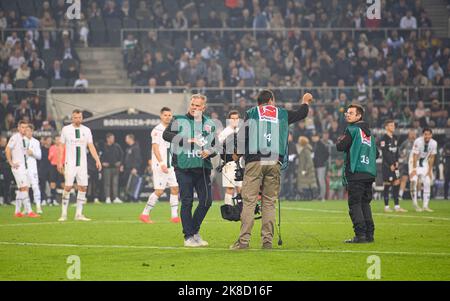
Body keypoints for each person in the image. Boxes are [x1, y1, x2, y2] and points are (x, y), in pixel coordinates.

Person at [230, 90, 312, 250]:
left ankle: (243, 242)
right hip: (275, 161)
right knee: (268, 202)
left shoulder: (252, 113)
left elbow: (242, 136)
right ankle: (267, 241)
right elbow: (302, 113)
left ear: (259, 102)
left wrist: (236, 153)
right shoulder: (281, 113)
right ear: (271, 100)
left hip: (255, 160)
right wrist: (305, 101)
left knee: (249, 201)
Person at [163, 94, 217, 247]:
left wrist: (209, 152)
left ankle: (194, 231)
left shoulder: (210, 124)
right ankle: (188, 237)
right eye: (192, 104)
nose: (194, 107)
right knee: (187, 201)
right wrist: (187, 140)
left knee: (206, 201)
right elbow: (166, 135)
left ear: (203, 108)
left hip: (202, 167)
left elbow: (215, 146)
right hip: (183, 167)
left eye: (198, 105)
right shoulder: (179, 119)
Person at [336, 104, 377, 243]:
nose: (347, 114)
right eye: (347, 112)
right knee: (365, 203)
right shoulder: (370, 133)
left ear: (359, 116)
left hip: (356, 172)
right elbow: (376, 154)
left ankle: (360, 235)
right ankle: (369, 234)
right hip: (369, 172)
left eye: (351, 113)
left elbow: (340, 146)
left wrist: (339, 139)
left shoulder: (352, 130)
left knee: (355, 204)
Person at [57, 110, 102, 221]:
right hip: (70, 163)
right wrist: (59, 161)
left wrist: (97, 160)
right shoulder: (66, 129)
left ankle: (79, 214)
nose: (77, 119)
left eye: (79, 117)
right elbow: (61, 147)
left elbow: (91, 146)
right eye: (75, 117)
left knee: (83, 187)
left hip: (82, 164)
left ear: (82, 118)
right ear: (72, 118)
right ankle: (63, 214)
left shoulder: (86, 130)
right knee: (68, 187)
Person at [140, 107, 180, 224]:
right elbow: (155, 147)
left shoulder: (172, 129)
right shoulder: (157, 130)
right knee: (159, 191)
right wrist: (162, 162)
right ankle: (145, 214)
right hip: (160, 164)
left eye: (169, 115)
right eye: (165, 115)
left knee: (175, 188)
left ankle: (174, 216)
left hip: (170, 164)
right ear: (161, 116)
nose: (168, 117)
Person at [5, 120, 40, 218]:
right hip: (18, 167)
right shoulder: (14, 138)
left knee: (22, 189)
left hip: (25, 168)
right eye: (22, 127)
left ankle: (17, 211)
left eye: (26, 127)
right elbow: (7, 149)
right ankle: (29, 211)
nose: (24, 129)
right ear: (18, 128)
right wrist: (11, 162)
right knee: (24, 188)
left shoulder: (25, 139)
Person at [379, 120, 407, 213]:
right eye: (391, 125)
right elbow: (385, 153)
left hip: (395, 165)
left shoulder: (395, 138)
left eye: (394, 125)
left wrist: (397, 162)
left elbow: (396, 152)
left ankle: (397, 206)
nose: (393, 127)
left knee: (397, 183)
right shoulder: (383, 139)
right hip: (387, 166)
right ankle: (386, 207)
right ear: (386, 127)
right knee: (387, 185)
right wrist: (391, 164)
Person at [409, 128, 437, 212]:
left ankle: (425, 205)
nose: (427, 136)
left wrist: (429, 171)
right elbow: (414, 155)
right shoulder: (418, 141)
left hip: (424, 162)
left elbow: (432, 157)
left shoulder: (434, 143)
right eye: (425, 134)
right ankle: (415, 204)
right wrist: (414, 169)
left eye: (429, 134)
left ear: (431, 135)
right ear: (423, 135)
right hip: (414, 161)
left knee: (427, 181)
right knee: (414, 180)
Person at [218, 110, 242, 206]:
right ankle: (228, 208)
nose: (235, 120)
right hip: (229, 163)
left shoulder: (241, 131)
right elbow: (219, 147)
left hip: (241, 163)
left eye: (236, 118)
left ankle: (241, 208)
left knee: (241, 187)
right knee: (230, 187)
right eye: (232, 118)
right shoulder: (225, 132)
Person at [25, 124, 43, 214]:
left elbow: (39, 156)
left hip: (32, 168)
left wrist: (33, 153)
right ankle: (26, 208)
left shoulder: (36, 142)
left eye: (30, 130)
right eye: (27, 130)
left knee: (35, 186)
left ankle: (38, 207)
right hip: (23, 168)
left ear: (32, 131)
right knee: (25, 188)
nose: (28, 132)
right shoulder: (21, 141)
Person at [102, 133, 123, 204]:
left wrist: (120, 163)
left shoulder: (117, 146)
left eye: (113, 138)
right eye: (111, 138)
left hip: (115, 167)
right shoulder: (104, 146)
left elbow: (122, 155)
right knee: (107, 183)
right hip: (107, 168)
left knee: (115, 183)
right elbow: (99, 155)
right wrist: (102, 163)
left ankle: (115, 197)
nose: (113, 139)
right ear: (107, 139)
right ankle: (107, 198)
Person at [122, 134, 143, 202]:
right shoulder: (128, 148)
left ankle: (135, 198)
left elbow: (137, 159)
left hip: (133, 169)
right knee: (128, 184)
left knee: (133, 184)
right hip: (128, 169)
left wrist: (135, 168)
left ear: (130, 139)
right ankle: (128, 198)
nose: (125, 140)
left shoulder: (136, 147)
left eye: (126, 138)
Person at [296, 136, 317, 200]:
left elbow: (310, 162)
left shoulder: (306, 150)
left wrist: (305, 170)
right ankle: (307, 197)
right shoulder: (304, 149)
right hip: (305, 170)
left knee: (307, 185)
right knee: (306, 184)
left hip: (307, 171)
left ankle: (310, 197)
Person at [398, 129, 416, 200]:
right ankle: (400, 195)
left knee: (414, 180)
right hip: (406, 164)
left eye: (414, 134)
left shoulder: (417, 143)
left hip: (414, 165)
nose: (413, 135)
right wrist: (402, 155)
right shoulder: (406, 142)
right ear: (408, 135)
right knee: (404, 179)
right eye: (411, 134)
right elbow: (399, 149)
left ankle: (416, 196)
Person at [311, 133, 329, 201]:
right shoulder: (314, 144)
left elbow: (327, 154)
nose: (313, 138)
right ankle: (319, 195)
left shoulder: (321, 144)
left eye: (314, 136)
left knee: (321, 181)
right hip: (316, 165)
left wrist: (322, 160)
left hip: (321, 166)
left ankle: (323, 196)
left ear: (318, 137)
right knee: (318, 181)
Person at [48, 135, 64, 206]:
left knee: (63, 182)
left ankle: (65, 199)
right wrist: (51, 155)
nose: (58, 141)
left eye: (59, 139)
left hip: (61, 166)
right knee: (52, 183)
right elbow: (49, 158)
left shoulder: (64, 147)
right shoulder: (52, 148)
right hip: (53, 166)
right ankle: (53, 199)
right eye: (57, 139)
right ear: (54, 141)